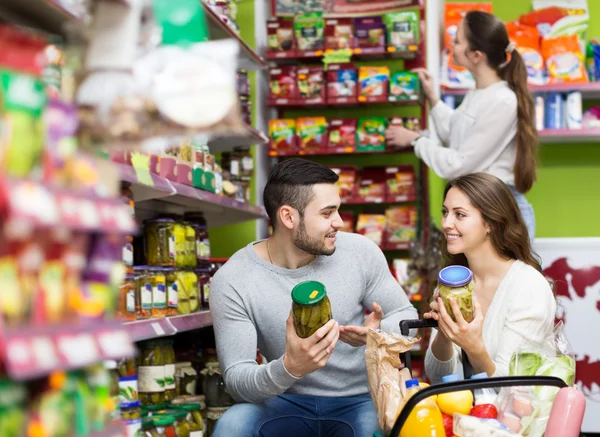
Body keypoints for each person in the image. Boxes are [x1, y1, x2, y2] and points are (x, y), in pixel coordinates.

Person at [209, 158, 418, 437]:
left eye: (338, 210)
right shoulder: (234, 279)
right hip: (282, 401)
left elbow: (407, 315)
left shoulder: (360, 252)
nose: (339, 222)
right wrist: (289, 368)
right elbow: (237, 380)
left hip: (360, 399)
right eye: (327, 213)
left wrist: (377, 334)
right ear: (288, 217)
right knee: (232, 426)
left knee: (376, 430)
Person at [385, 10, 538, 239]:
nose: (451, 46)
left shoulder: (502, 100)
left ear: (476, 55)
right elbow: (453, 132)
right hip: (482, 207)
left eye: (457, 41)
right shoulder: (478, 92)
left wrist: (416, 140)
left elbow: (459, 165)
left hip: (500, 214)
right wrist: (432, 98)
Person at [423, 173, 555, 384]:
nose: (446, 223)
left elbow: (512, 388)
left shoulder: (528, 286)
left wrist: (473, 347)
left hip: (515, 415)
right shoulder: (453, 284)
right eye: (445, 212)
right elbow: (438, 376)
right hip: (464, 413)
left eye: (460, 215)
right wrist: (444, 334)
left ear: (490, 223)